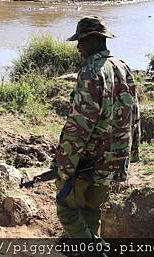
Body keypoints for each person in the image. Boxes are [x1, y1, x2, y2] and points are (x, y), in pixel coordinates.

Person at [55, 16, 141, 241]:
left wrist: (65, 164)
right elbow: (134, 114)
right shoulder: (124, 67)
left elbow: (79, 126)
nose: (78, 47)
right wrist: (131, 153)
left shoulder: (91, 73)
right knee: (91, 210)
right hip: (114, 157)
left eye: (80, 41)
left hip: (89, 161)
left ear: (92, 39)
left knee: (67, 210)